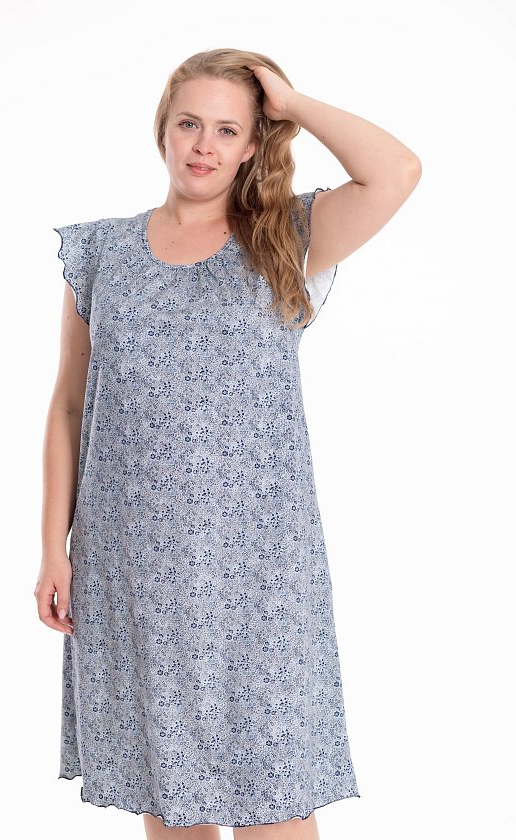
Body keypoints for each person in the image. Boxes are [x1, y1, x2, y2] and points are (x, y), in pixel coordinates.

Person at [34, 47, 421, 840]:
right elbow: (70, 406)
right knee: (170, 799)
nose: (203, 145)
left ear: (252, 144)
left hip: (260, 577)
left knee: (275, 801)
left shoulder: (287, 237)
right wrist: (52, 549)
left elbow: (397, 172)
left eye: (226, 129)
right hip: (134, 567)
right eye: (188, 124)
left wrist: (293, 102)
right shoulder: (101, 253)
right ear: (163, 130)